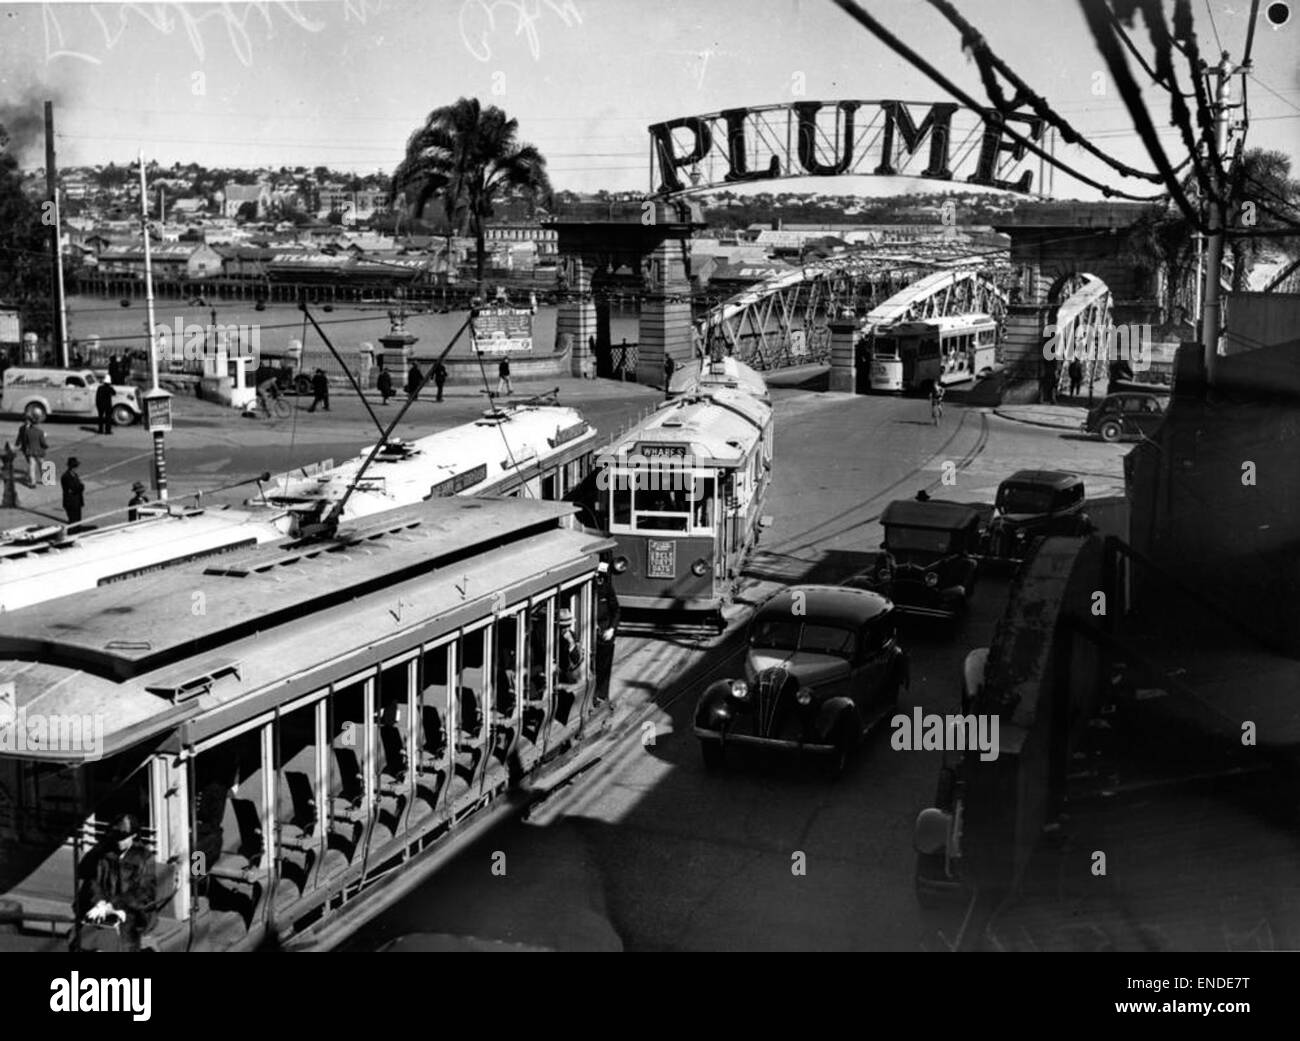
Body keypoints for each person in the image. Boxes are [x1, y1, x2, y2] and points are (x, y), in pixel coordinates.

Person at [74, 813, 157, 952]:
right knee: (83, 937)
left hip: (133, 911)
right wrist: (99, 902)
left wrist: (114, 905)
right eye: (117, 838)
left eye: (124, 838)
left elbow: (144, 892)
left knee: (123, 942)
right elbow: (94, 881)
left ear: (134, 836)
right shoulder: (104, 853)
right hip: (105, 908)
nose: (119, 842)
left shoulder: (144, 857)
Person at [593, 563, 620, 706]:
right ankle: (594, 694)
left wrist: (611, 629)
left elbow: (616, 610)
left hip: (605, 634)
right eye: (597, 576)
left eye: (601, 576)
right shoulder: (591, 588)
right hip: (592, 633)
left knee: (604, 666)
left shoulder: (607, 589)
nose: (599, 579)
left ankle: (602, 695)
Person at [16, 415, 47, 486]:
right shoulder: (40, 431)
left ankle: (33, 482)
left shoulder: (28, 432)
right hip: (39, 451)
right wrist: (45, 446)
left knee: (32, 466)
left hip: (29, 450)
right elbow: (43, 443)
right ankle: (44, 480)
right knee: (41, 465)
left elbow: (26, 441)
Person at [556, 607, 584, 685]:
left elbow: (576, 659)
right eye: (564, 627)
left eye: (568, 625)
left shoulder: (572, 635)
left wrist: (571, 643)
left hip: (567, 674)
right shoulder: (553, 636)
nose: (567, 629)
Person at [62, 457, 85, 525]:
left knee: (78, 521)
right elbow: (75, 488)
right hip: (71, 503)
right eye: (75, 466)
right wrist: (81, 486)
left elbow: (78, 487)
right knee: (73, 522)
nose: (76, 468)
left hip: (77, 501)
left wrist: (80, 487)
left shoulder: (75, 475)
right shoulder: (66, 476)